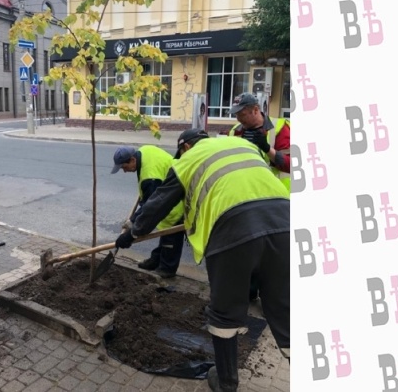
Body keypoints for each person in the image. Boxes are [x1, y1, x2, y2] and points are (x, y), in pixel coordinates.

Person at [114, 129, 290, 392]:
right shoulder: (240, 145)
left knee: (225, 312)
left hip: (233, 232)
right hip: (286, 223)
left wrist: (134, 232)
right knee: (285, 309)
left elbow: (159, 202)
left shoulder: (188, 160)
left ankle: (226, 382)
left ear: (186, 147)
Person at [228, 92, 291, 303]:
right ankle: (249, 292)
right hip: (246, 199)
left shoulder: (280, 129)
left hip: (276, 199)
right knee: (248, 249)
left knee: (272, 255)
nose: (239, 119)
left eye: (243, 114)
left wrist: (267, 148)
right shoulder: (235, 132)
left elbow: (291, 164)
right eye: (236, 115)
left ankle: (272, 299)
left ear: (256, 110)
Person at [111, 145, 185, 278]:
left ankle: (167, 269)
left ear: (132, 159)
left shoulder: (150, 178)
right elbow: (148, 200)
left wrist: (131, 235)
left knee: (171, 235)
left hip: (177, 202)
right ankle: (156, 260)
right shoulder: (143, 151)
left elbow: (151, 211)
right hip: (170, 186)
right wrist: (132, 220)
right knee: (165, 233)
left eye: (124, 167)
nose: (124, 171)